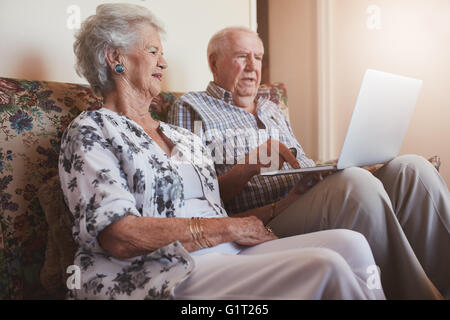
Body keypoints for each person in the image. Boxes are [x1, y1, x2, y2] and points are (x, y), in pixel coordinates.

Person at [58, 4, 386, 300]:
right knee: (324, 264)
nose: (164, 62)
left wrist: (285, 203)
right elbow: (118, 235)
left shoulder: (181, 137)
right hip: (161, 268)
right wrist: (228, 229)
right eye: (153, 50)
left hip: (224, 251)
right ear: (115, 57)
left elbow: (220, 215)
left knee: (351, 244)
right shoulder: (92, 130)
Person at [168, 26, 450, 300]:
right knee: (354, 184)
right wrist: (247, 167)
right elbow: (191, 197)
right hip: (266, 217)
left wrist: (342, 166)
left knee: (411, 169)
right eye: (242, 56)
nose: (253, 66)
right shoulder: (191, 107)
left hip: (309, 195)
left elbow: (299, 162)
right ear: (213, 62)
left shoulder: (271, 106)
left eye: (258, 57)